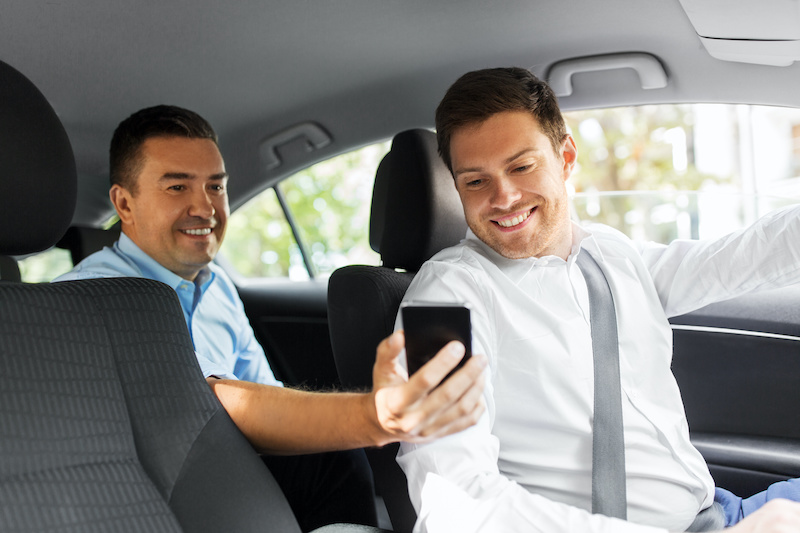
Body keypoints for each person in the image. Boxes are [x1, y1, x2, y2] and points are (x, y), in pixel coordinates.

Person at [395, 67, 800, 533]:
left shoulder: (609, 254)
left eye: (521, 166)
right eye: (475, 182)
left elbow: (743, 256)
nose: (503, 197)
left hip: (719, 513)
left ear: (565, 157)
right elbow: (453, 498)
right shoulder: (441, 302)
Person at [54, 105, 487, 532]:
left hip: (225, 473)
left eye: (215, 187)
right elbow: (198, 410)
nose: (204, 207)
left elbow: (260, 389)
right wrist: (370, 417)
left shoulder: (218, 287)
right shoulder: (90, 297)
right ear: (124, 204)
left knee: (328, 456)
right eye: (177, 188)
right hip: (144, 493)